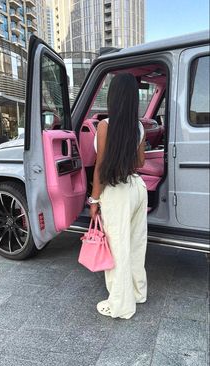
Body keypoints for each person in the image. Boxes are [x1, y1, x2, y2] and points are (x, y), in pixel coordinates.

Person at [89, 73, 148, 319]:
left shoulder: (105, 125)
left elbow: (100, 167)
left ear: (113, 97)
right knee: (135, 245)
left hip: (117, 193)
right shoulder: (140, 126)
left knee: (118, 249)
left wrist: (94, 201)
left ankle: (121, 305)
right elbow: (141, 161)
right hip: (137, 189)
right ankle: (137, 292)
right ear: (133, 99)